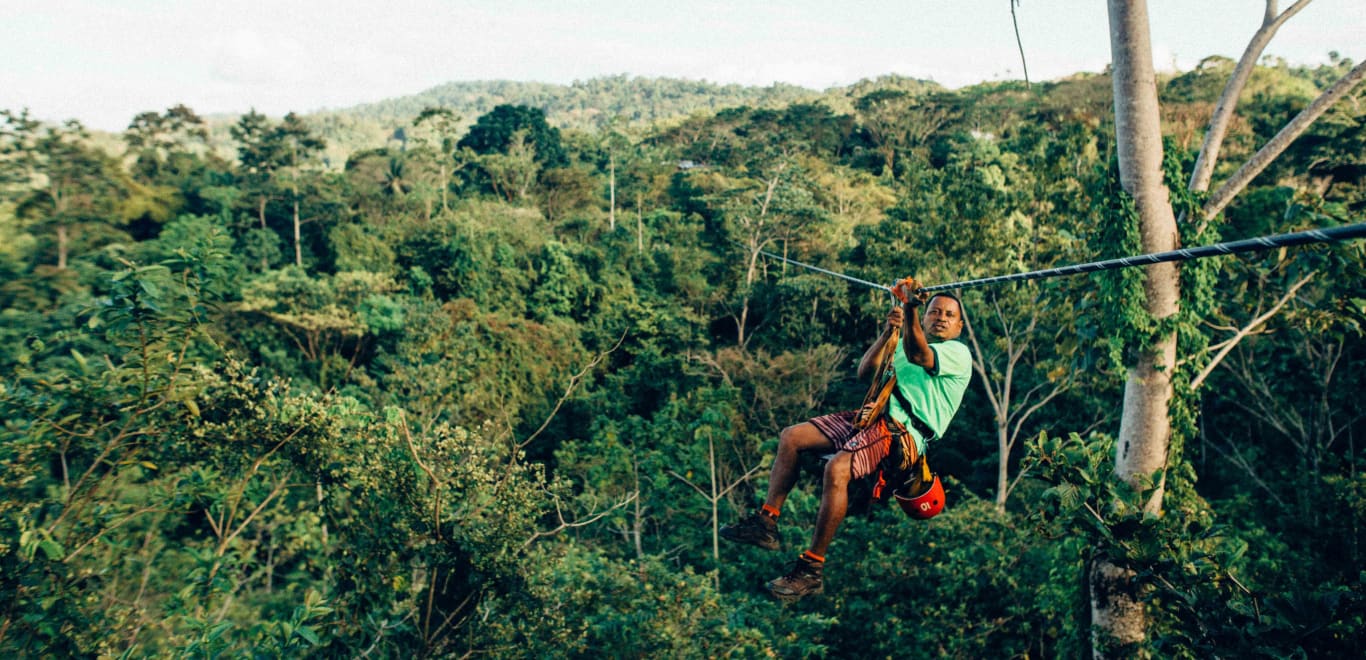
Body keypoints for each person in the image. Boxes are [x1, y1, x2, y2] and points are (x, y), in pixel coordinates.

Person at [720, 277, 972, 602]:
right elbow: (866, 373)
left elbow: (921, 355)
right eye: (934, 311)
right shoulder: (906, 344)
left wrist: (910, 307)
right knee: (792, 438)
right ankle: (766, 521)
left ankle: (811, 569)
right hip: (871, 416)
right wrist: (888, 333)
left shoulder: (957, 353)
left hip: (902, 433)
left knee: (837, 470)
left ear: (959, 326)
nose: (940, 317)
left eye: (949, 315)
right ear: (925, 318)